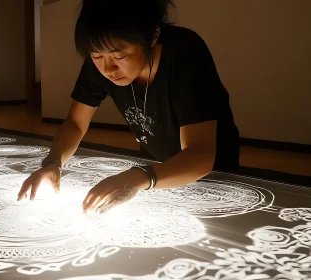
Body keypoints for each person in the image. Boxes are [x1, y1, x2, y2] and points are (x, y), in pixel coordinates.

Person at [17, 0, 240, 214]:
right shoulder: (102, 60)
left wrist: (135, 178)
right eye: (96, 55)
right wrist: (53, 162)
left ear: (152, 35)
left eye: (119, 55)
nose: (108, 68)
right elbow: (76, 122)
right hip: (155, 167)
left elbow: (200, 154)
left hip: (213, 176)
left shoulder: (185, 53)